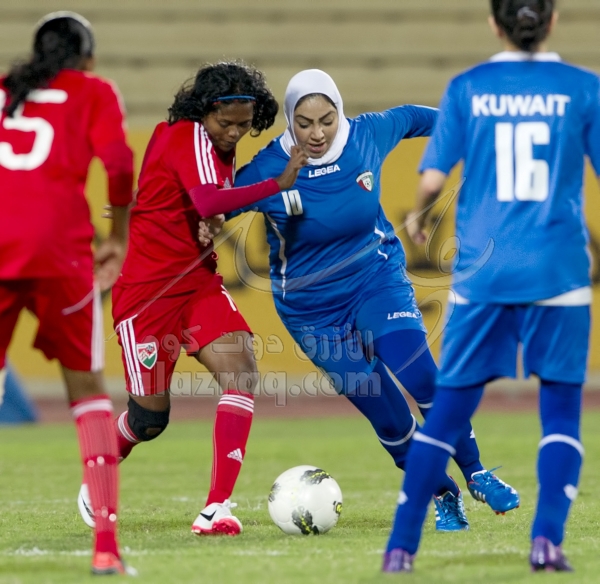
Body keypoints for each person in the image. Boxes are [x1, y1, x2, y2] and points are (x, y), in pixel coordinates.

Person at [228, 69, 519, 531]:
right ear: (289, 120)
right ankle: (443, 492)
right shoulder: (269, 168)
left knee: (420, 375)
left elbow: (418, 119)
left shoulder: (367, 135)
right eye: (305, 123)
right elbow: (215, 204)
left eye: (327, 120)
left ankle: (477, 472)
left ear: (340, 114)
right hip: (311, 310)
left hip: (375, 280)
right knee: (387, 416)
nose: (317, 133)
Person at [383, 0, 600, 573]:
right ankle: (546, 542)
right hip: (558, 269)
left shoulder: (468, 87)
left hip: (484, 273)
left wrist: (419, 216)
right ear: (552, 20)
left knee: (447, 415)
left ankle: (401, 549)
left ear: (493, 23)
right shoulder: (584, 88)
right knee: (561, 414)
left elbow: (432, 178)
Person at [77, 61, 308, 536]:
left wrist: (210, 218)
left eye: (244, 125)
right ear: (204, 111)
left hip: (198, 281)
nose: (234, 133)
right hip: (148, 292)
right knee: (148, 420)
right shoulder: (185, 135)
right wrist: (277, 185)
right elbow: (207, 201)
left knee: (242, 371)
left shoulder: (213, 143)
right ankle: (101, 466)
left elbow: (200, 202)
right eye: (226, 123)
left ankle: (216, 508)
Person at [0, 12, 135, 576]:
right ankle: (105, 546)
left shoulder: (6, 89)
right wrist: (118, 235)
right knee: (87, 395)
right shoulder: (93, 91)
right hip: (61, 250)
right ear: (88, 57)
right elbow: (119, 163)